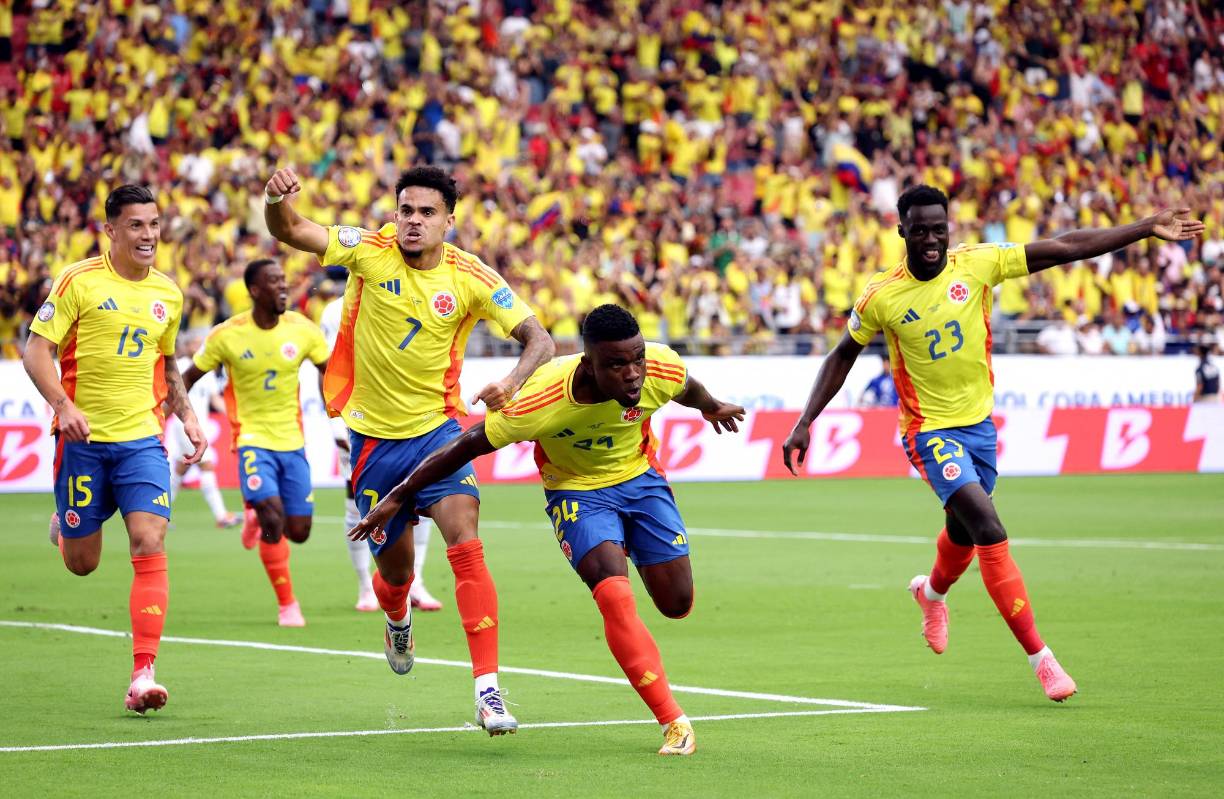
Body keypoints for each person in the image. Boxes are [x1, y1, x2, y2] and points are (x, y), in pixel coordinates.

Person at [782, 185, 1203, 702]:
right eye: (920, 231)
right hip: (928, 431)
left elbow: (1066, 247)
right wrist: (806, 420)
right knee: (988, 526)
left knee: (961, 529)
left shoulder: (979, 264)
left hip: (979, 428)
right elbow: (841, 355)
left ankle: (930, 593)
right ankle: (1043, 660)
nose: (932, 240)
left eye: (939, 228)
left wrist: (1143, 227)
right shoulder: (881, 295)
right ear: (902, 232)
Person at [349, 304, 746, 756]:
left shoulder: (660, 367)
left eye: (636, 358)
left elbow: (686, 387)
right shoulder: (541, 400)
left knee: (677, 604)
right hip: (576, 493)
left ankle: (636, 545)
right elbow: (466, 446)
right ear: (589, 363)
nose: (633, 373)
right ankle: (673, 721)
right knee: (615, 595)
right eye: (617, 364)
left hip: (641, 481)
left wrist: (711, 407)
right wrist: (399, 496)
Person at [264, 164, 555, 735]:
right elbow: (292, 230)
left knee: (465, 542)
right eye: (406, 210)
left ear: (449, 219)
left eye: (426, 213)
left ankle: (488, 691)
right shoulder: (368, 251)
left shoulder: (471, 275)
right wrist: (275, 202)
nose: (413, 221)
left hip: (440, 432)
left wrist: (514, 382)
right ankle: (396, 616)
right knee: (393, 576)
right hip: (373, 442)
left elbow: (540, 338)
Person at [22, 184, 207, 714]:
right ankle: (66, 523)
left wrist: (188, 416)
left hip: (142, 441)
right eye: (136, 225)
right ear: (111, 230)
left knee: (150, 539)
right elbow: (36, 352)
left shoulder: (168, 294)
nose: (148, 235)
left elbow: (167, 366)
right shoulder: (78, 281)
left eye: (154, 224)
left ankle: (143, 672)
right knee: (82, 563)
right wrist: (63, 405)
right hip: (81, 442)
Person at [183, 259, 330, 627]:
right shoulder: (227, 335)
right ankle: (288, 604)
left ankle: (253, 514)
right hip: (250, 438)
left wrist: (342, 419)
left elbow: (332, 373)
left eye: (284, 281)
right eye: (274, 282)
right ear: (254, 290)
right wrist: (183, 418)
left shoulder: (303, 330)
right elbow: (186, 378)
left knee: (299, 531)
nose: (283, 287)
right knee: (273, 518)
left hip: (292, 440)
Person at [319, 288, 443, 613]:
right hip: (361, 422)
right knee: (359, 505)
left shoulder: (415, 293)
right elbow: (329, 368)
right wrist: (337, 423)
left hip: (414, 419)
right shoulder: (336, 310)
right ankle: (364, 585)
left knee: (421, 496)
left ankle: (416, 582)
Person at [167, 330, 239, 528]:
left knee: (179, 469)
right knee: (206, 466)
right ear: (187, 345)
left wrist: (233, 415)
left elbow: (215, 399)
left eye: (201, 344)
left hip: (201, 425)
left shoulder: (204, 369)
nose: (198, 347)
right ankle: (222, 516)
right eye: (195, 344)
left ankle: (160, 516)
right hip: (185, 425)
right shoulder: (179, 367)